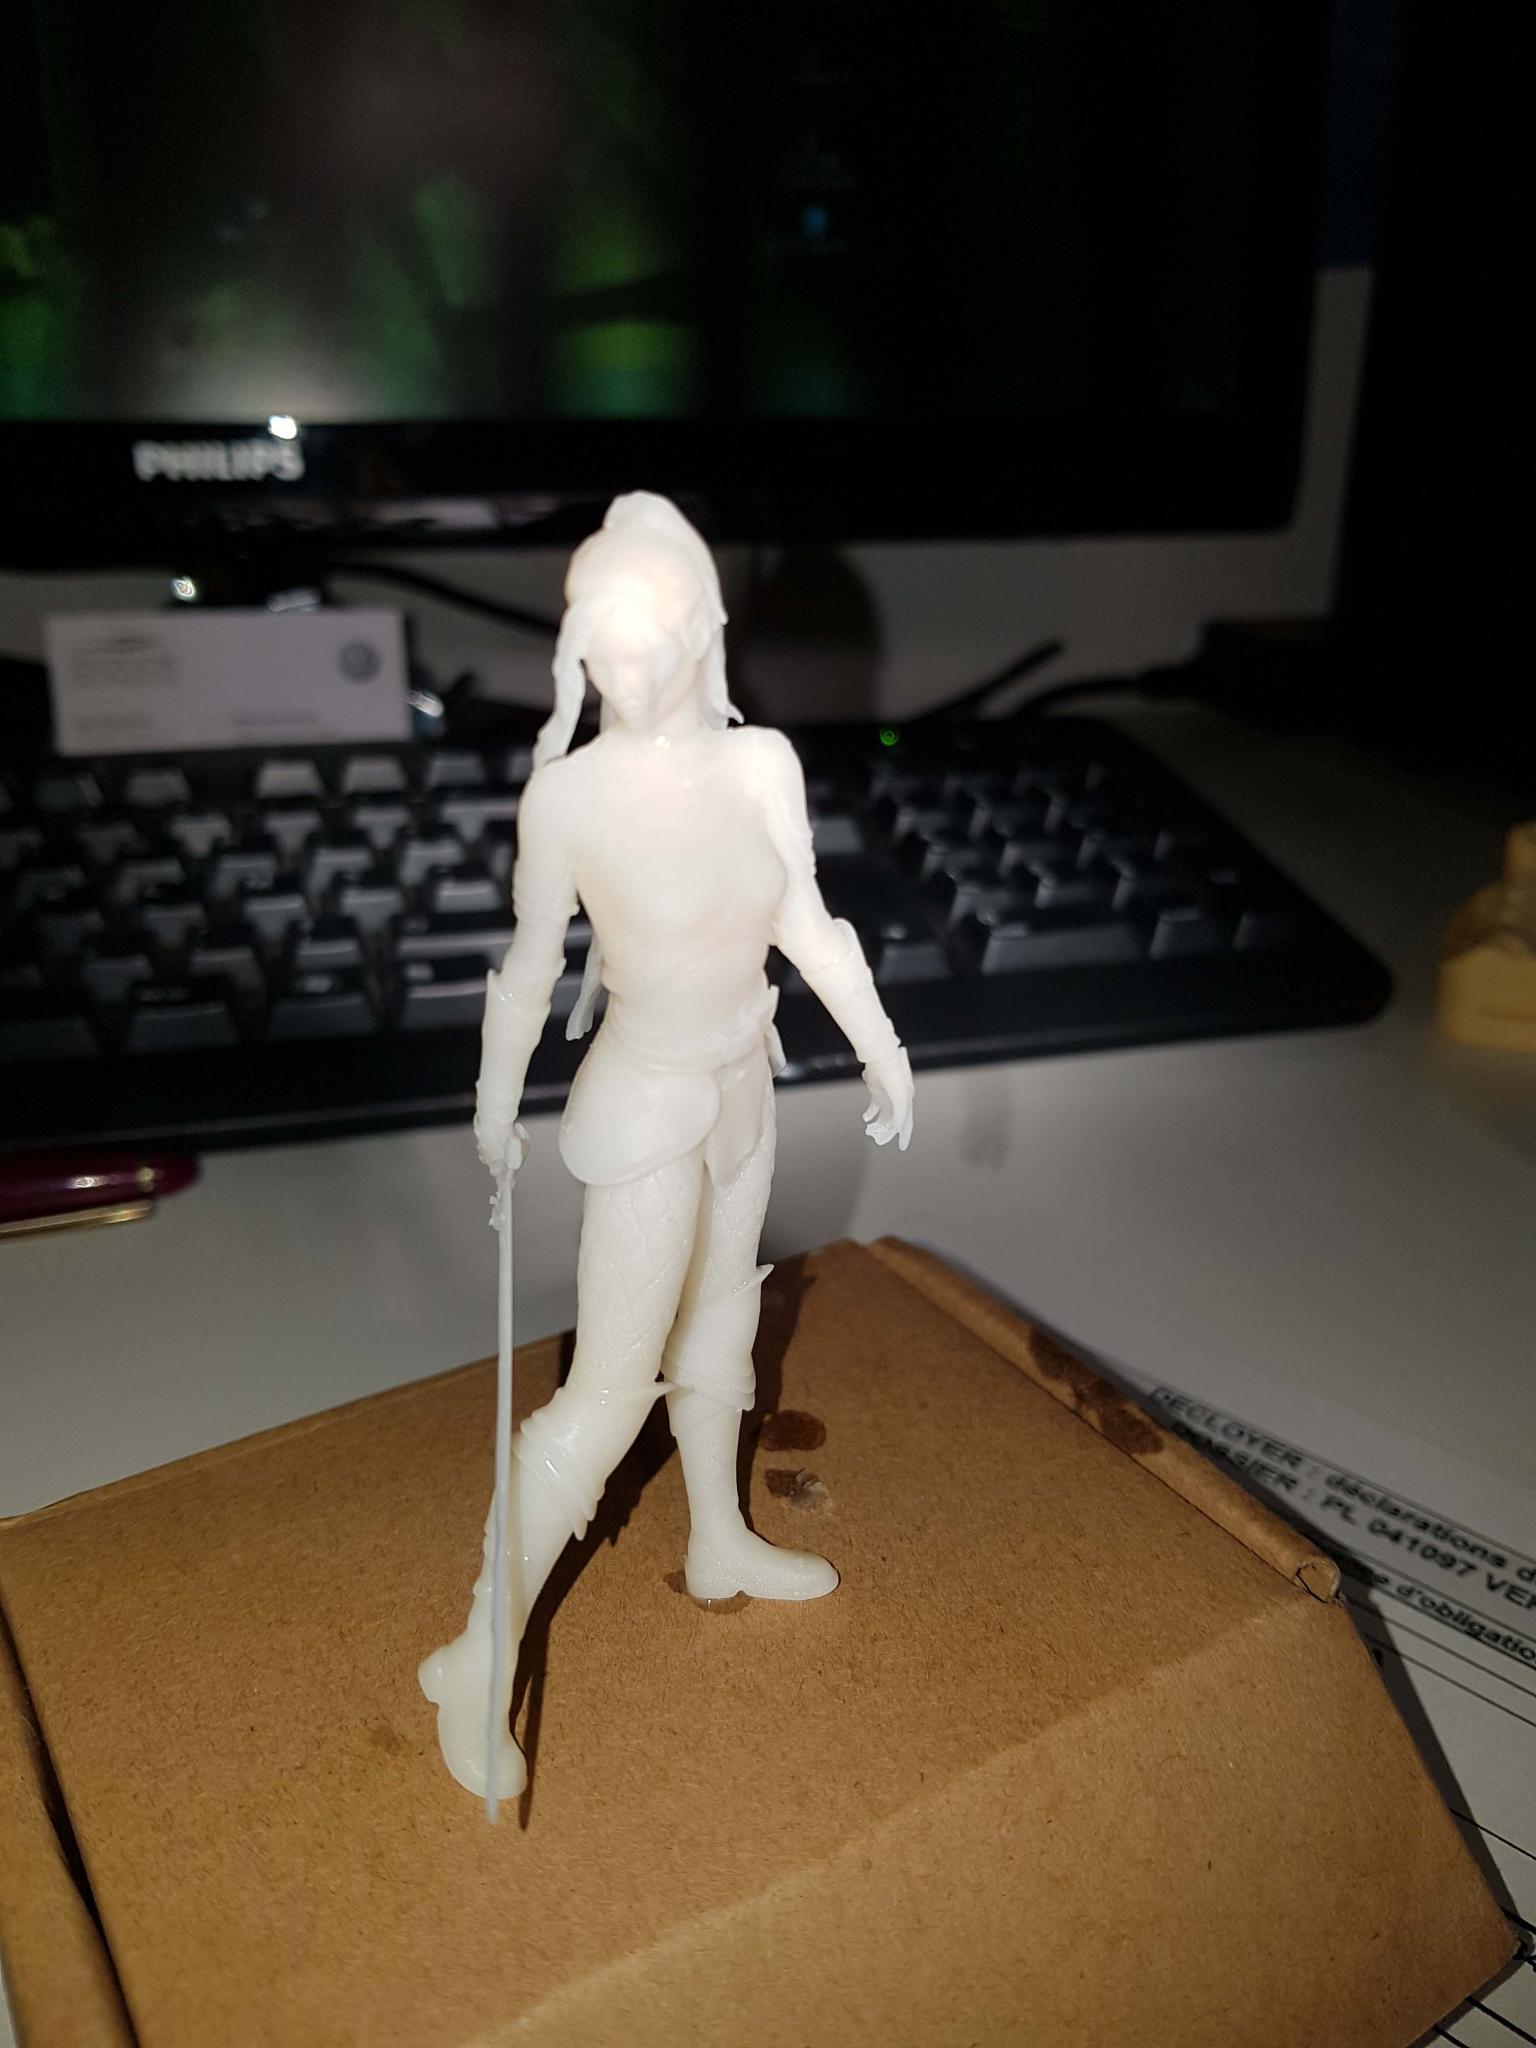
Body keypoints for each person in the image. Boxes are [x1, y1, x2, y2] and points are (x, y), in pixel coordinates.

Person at [420, 492, 913, 1799]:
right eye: (601, 651)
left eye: (644, 645)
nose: (624, 676)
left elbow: (804, 919)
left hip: (746, 1082)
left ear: (700, 630)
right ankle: (479, 1650)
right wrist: (494, 1101)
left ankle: (716, 1538)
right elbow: (532, 965)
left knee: (723, 1325)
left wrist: (880, 1043)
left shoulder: (763, 766)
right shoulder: (570, 798)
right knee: (603, 1396)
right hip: (642, 1108)